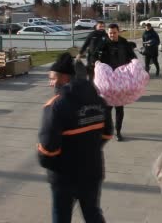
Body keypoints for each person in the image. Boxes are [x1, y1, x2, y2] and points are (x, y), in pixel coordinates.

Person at [37, 53, 112, 223]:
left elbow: (47, 149)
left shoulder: (55, 106)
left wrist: (54, 167)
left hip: (65, 176)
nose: (50, 83)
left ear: (64, 78)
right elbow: (107, 133)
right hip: (93, 170)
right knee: (93, 213)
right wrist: (88, 149)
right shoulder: (99, 100)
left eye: (52, 78)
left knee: (61, 216)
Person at [99, 23, 137, 141]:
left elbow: (132, 57)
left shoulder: (124, 43)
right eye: (110, 33)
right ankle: (107, 129)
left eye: (114, 33)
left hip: (121, 80)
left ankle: (118, 131)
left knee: (119, 108)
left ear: (118, 32)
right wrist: (96, 63)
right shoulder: (104, 44)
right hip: (108, 80)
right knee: (107, 108)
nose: (112, 35)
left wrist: (135, 65)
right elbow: (95, 57)